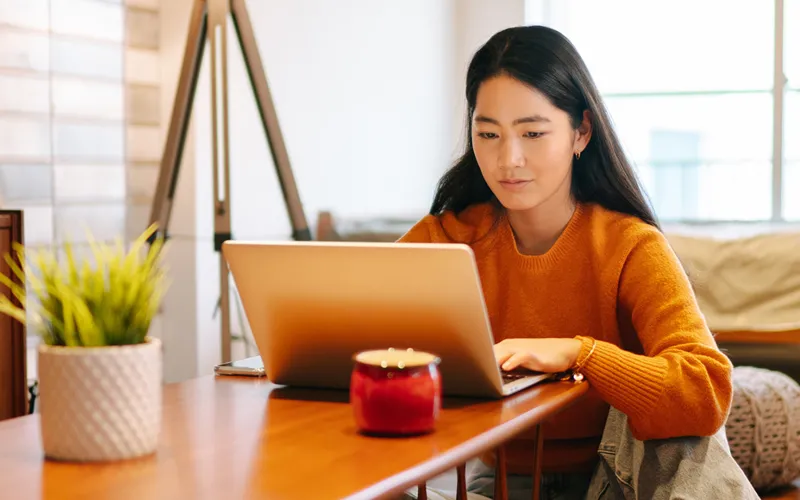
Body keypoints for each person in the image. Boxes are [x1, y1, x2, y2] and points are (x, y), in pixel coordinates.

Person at [397, 25, 741, 499]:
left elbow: (706, 393)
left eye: (533, 132)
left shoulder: (629, 244)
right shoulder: (446, 239)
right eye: (488, 134)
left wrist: (582, 354)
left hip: (619, 476)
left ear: (581, 132)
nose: (507, 159)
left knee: (680, 427)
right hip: (498, 480)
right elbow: (349, 333)